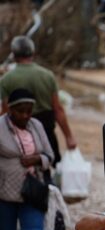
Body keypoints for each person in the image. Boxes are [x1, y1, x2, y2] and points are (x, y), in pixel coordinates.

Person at [0, 88, 55, 230]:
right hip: (4, 194)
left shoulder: (37, 126)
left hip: (32, 192)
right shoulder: (0, 127)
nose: (25, 115)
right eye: (20, 111)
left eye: (29, 111)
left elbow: (50, 156)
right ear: (10, 109)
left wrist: (36, 159)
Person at [0, 35, 77, 165]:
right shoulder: (47, 76)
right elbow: (58, 109)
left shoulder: (7, 80)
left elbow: (6, 112)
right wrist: (69, 137)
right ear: (33, 53)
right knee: (47, 169)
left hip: (19, 139)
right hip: (46, 134)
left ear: (13, 55)